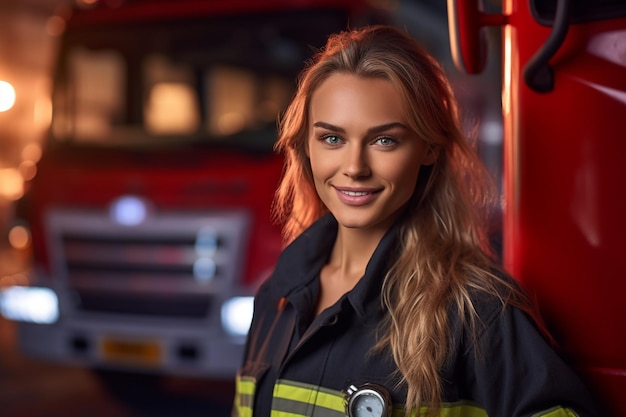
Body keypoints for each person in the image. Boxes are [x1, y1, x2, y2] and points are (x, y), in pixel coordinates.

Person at [232, 25, 599, 417]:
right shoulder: (277, 295)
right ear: (306, 145)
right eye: (332, 139)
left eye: (384, 140)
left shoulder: (478, 309)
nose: (354, 168)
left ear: (428, 149)